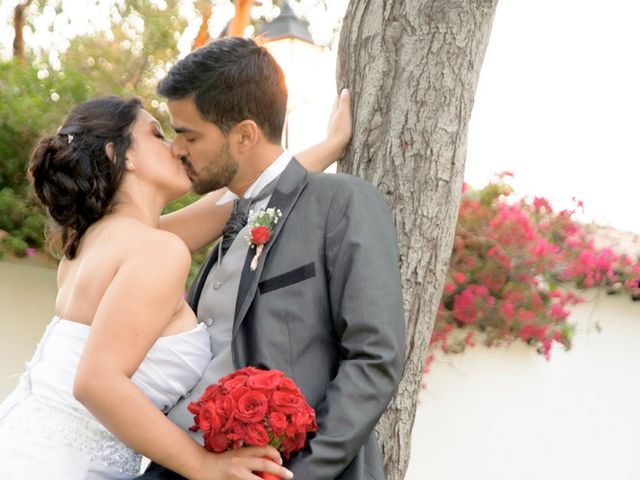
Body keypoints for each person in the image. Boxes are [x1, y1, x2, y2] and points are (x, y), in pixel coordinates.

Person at [0, 92, 350, 479]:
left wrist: (330, 146)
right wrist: (204, 465)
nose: (177, 148)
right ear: (121, 155)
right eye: (157, 134)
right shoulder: (154, 249)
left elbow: (239, 198)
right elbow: (96, 382)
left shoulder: (90, 245)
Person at [141, 37, 405, 480]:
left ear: (244, 134)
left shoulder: (341, 203)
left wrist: (293, 476)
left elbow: (375, 356)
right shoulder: (225, 218)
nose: (176, 149)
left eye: (189, 135)